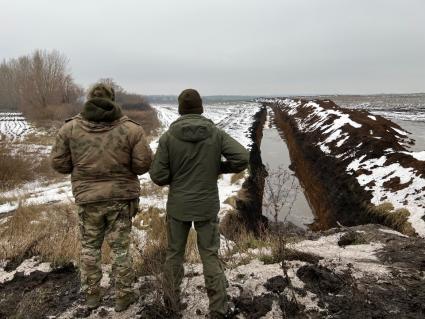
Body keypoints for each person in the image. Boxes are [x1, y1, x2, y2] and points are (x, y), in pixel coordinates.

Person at [50, 83, 152, 312]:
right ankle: (123, 296)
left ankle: (92, 296)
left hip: (88, 199)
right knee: (121, 249)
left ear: (88, 99)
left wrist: (81, 166)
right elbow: (143, 165)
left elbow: (59, 163)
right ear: (113, 99)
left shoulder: (70, 129)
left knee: (89, 248)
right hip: (120, 198)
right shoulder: (131, 130)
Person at [149, 89, 249, 318]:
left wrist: (176, 173)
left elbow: (157, 176)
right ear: (200, 108)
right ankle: (218, 309)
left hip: (178, 207)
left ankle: (171, 305)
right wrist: (217, 167)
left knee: (174, 255)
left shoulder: (168, 137)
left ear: (180, 109)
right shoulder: (215, 133)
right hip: (206, 206)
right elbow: (242, 158)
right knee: (210, 256)